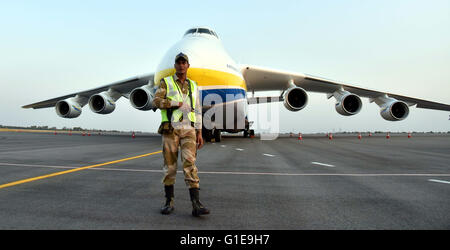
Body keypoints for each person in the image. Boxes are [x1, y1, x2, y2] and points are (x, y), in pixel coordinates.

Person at [152, 52, 209, 217]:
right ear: (175, 65)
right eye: (179, 62)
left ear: (188, 66)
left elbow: (197, 110)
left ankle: (196, 204)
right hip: (171, 129)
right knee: (170, 167)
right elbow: (156, 102)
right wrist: (176, 104)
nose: (181, 65)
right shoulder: (166, 82)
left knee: (190, 164)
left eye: (184, 62)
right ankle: (168, 202)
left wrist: (199, 132)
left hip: (189, 130)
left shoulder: (193, 85)